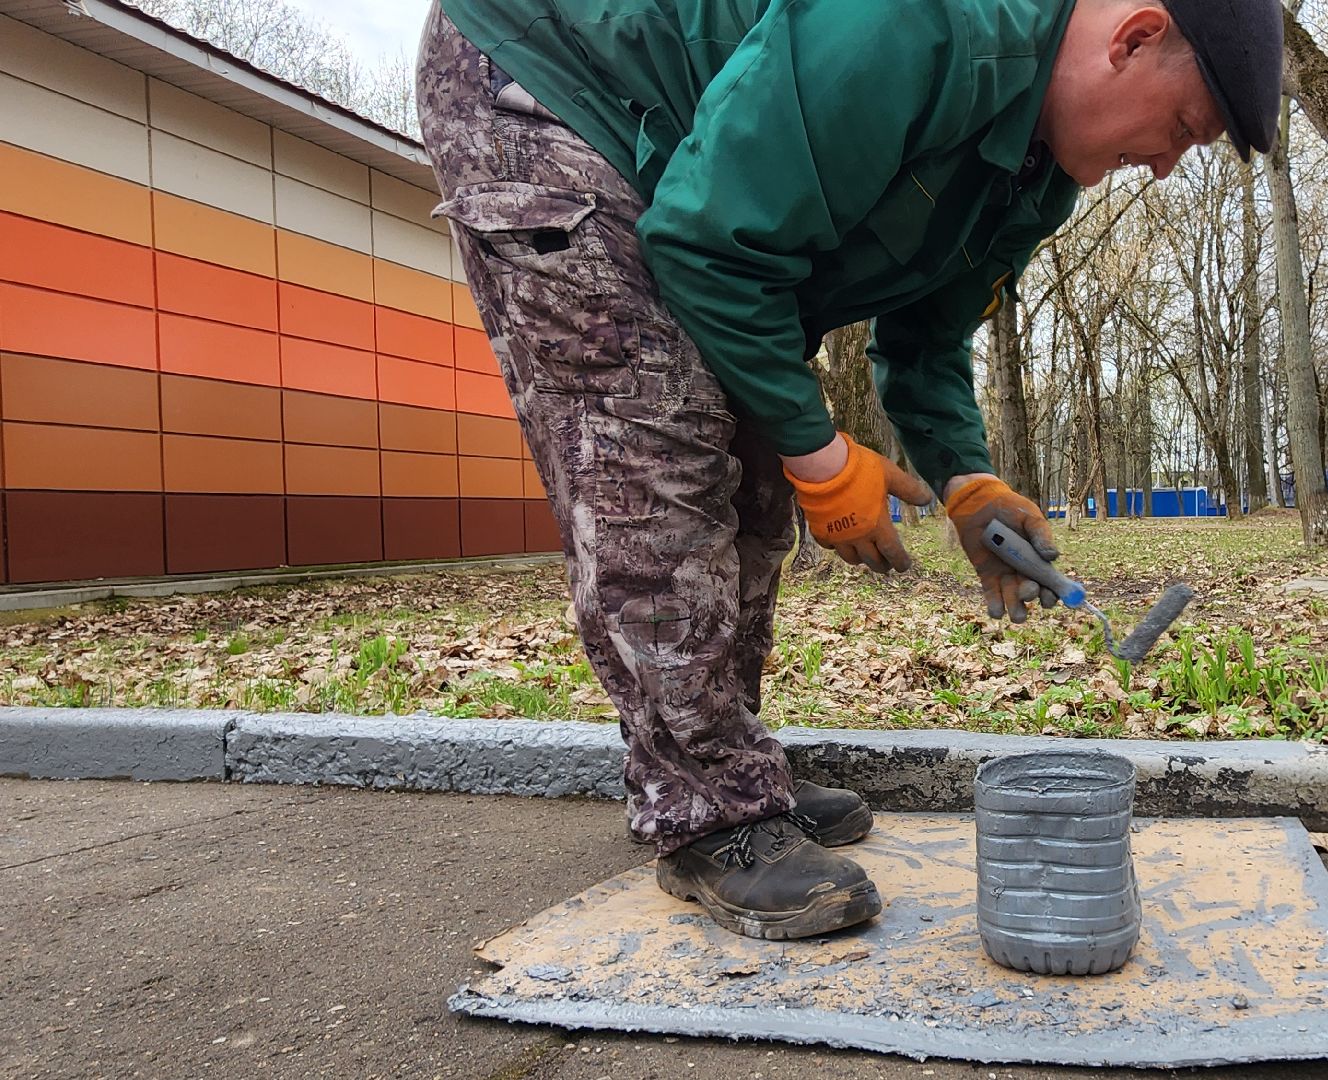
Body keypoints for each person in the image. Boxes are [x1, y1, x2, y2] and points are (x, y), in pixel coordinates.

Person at [415, 0, 1280, 940]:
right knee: (656, 452)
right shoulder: (926, 22)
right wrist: (825, 458)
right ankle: (711, 808)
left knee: (753, 467)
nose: (1164, 166)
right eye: (1182, 127)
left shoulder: (1037, 178)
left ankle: (731, 768)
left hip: (697, 174)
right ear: (1134, 38)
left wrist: (966, 481)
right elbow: (707, 243)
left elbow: (926, 341)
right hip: (556, 80)